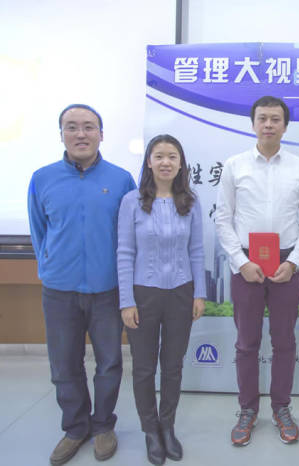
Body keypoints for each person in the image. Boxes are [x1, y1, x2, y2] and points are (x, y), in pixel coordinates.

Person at [27, 104, 136, 465]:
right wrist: (51, 266)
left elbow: (130, 235)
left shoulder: (121, 180)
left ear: (101, 134)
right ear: (61, 134)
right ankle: (75, 428)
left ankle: (103, 425)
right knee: (64, 365)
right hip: (59, 290)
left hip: (108, 290)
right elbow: (39, 231)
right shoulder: (42, 178)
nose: (81, 134)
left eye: (89, 127)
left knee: (109, 363)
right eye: (71, 127)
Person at [215, 95, 299, 446]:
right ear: (253, 123)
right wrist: (241, 262)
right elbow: (223, 218)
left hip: (286, 263)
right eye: (263, 118)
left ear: (285, 126)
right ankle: (247, 410)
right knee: (247, 343)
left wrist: (294, 262)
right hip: (247, 263)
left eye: (275, 119)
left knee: (284, 341)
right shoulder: (235, 166)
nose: (269, 124)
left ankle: (281, 407)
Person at [117, 134, 206, 465]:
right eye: (159, 156)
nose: (165, 162)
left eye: (172, 156)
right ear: (149, 162)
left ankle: (167, 426)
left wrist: (199, 294)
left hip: (182, 292)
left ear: (181, 164)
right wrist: (126, 301)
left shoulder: (191, 202)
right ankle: (150, 430)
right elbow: (125, 252)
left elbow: (197, 251)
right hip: (143, 294)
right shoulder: (131, 202)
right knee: (143, 368)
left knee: (173, 366)